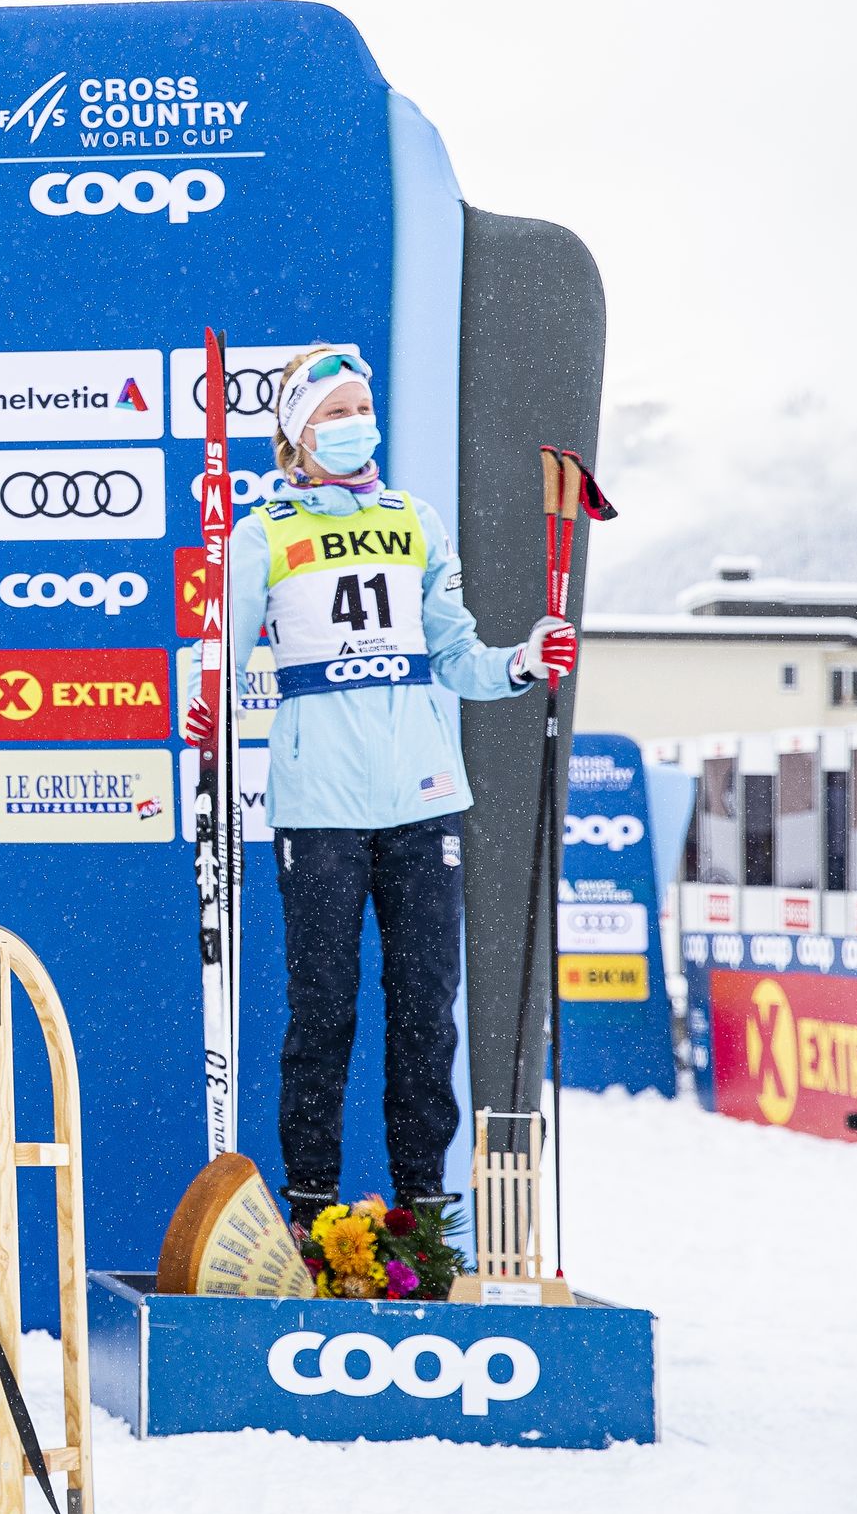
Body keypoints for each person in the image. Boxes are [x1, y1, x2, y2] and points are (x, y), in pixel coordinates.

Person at [185, 345, 574, 1224]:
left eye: (363, 404)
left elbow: (454, 654)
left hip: (423, 797)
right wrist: (197, 703)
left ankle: (425, 1209)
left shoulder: (415, 520)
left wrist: (520, 661)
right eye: (336, 410)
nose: (358, 422)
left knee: (426, 1016)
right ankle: (311, 1206)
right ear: (297, 431)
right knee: (322, 1016)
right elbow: (216, 655)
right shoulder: (264, 532)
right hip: (319, 805)